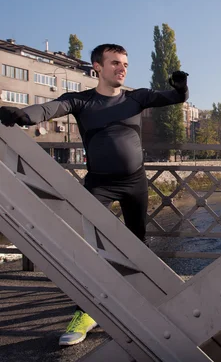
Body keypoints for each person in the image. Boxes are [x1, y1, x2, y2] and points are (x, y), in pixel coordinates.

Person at [0, 43, 189, 346]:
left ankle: (140, 303)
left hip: (135, 183)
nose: (122, 68)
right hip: (100, 184)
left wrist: (181, 89)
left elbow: (172, 97)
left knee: (136, 246)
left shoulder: (136, 97)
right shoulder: (81, 100)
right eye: (115, 63)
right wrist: (23, 114)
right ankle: (86, 312)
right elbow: (51, 108)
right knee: (91, 250)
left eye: (125, 63)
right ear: (97, 68)